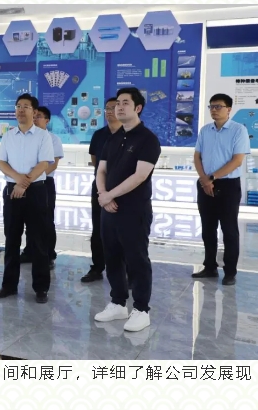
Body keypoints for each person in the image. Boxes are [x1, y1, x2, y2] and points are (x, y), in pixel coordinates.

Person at [94, 87, 160, 332]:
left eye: (125, 103)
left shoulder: (147, 139)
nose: (118, 108)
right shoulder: (112, 137)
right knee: (111, 256)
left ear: (138, 108)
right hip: (108, 209)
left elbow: (140, 176)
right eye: (116, 104)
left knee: (136, 259)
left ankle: (141, 309)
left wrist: (109, 195)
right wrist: (103, 195)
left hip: (133, 210)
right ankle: (118, 303)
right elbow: (101, 170)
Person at [0, 93, 54, 303]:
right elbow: (2, 163)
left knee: (38, 241)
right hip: (12, 191)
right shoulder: (8, 135)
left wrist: (23, 183)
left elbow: (43, 164)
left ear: (34, 112)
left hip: (36, 191)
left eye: (25, 106)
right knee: (11, 239)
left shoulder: (43, 136)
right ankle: (8, 285)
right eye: (18, 106)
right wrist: (18, 180)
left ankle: (41, 288)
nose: (20, 110)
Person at [191, 93, 250, 286]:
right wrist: (204, 179)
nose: (214, 110)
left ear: (229, 109)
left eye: (219, 106)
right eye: (212, 106)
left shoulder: (238, 130)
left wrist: (212, 178)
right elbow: (197, 156)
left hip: (227, 186)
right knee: (208, 228)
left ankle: (230, 272)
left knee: (229, 229)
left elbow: (237, 160)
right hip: (205, 183)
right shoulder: (205, 130)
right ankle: (209, 267)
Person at [81, 97, 122, 283]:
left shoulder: (129, 135)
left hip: (122, 189)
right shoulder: (99, 135)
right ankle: (97, 267)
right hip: (100, 187)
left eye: (114, 108)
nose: (110, 111)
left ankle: (125, 270)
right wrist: (102, 187)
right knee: (98, 229)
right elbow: (95, 161)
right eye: (107, 108)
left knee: (122, 231)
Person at [20, 106, 64, 269]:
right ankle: (29, 251)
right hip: (26, 182)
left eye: (39, 116)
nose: (35, 119)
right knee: (28, 218)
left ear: (47, 120)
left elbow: (53, 165)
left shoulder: (53, 139)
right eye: (34, 115)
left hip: (44, 183)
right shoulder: (26, 138)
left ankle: (48, 254)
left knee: (45, 220)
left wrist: (34, 177)